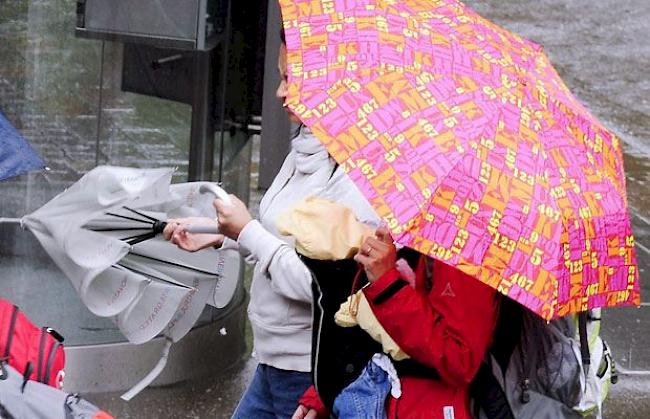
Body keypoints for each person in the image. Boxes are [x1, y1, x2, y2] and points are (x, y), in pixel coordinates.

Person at [163, 36, 378, 418]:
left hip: (309, 372)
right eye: (281, 77)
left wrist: (246, 231)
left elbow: (320, 286)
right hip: (272, 365)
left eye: (291, 79)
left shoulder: (361, 181)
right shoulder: (304, 150)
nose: (279, 92)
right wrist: (222, 236)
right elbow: (280, 239)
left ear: (328, 83)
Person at [294, 226, 500, 419]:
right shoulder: (429, 225)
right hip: (385, 396)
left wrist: (387, 284)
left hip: (425, 406)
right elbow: (380, 330)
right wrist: (329, 388)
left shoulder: (469, 243)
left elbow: (459, 358)